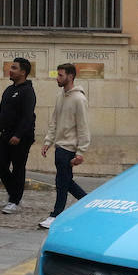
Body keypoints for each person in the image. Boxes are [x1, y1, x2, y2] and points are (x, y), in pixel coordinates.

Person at [39, 62, 91, 230]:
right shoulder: (60, 96)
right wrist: (48, 141)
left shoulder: (79, 99)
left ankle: (56, 215)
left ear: (70, 76)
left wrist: (81, 151)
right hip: (59, 146)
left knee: (62, 182)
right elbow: (54, 121)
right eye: (57, 75)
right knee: (66, 181)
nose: (57, 78)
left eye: (61, 75)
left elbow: (83, 127)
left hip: (69, 148)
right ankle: (90, 204)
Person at [0, 57, 36, 214]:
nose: (10, 70)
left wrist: (18, 135)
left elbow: (27, 116)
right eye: (11, 67)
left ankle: (14, 200)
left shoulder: (28, 92)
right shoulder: (8, 90)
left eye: (14, 68)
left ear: (23, 72)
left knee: (18, 167)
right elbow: (1, 113)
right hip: (5, 135)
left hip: (22, 137)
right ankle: (14, 193)